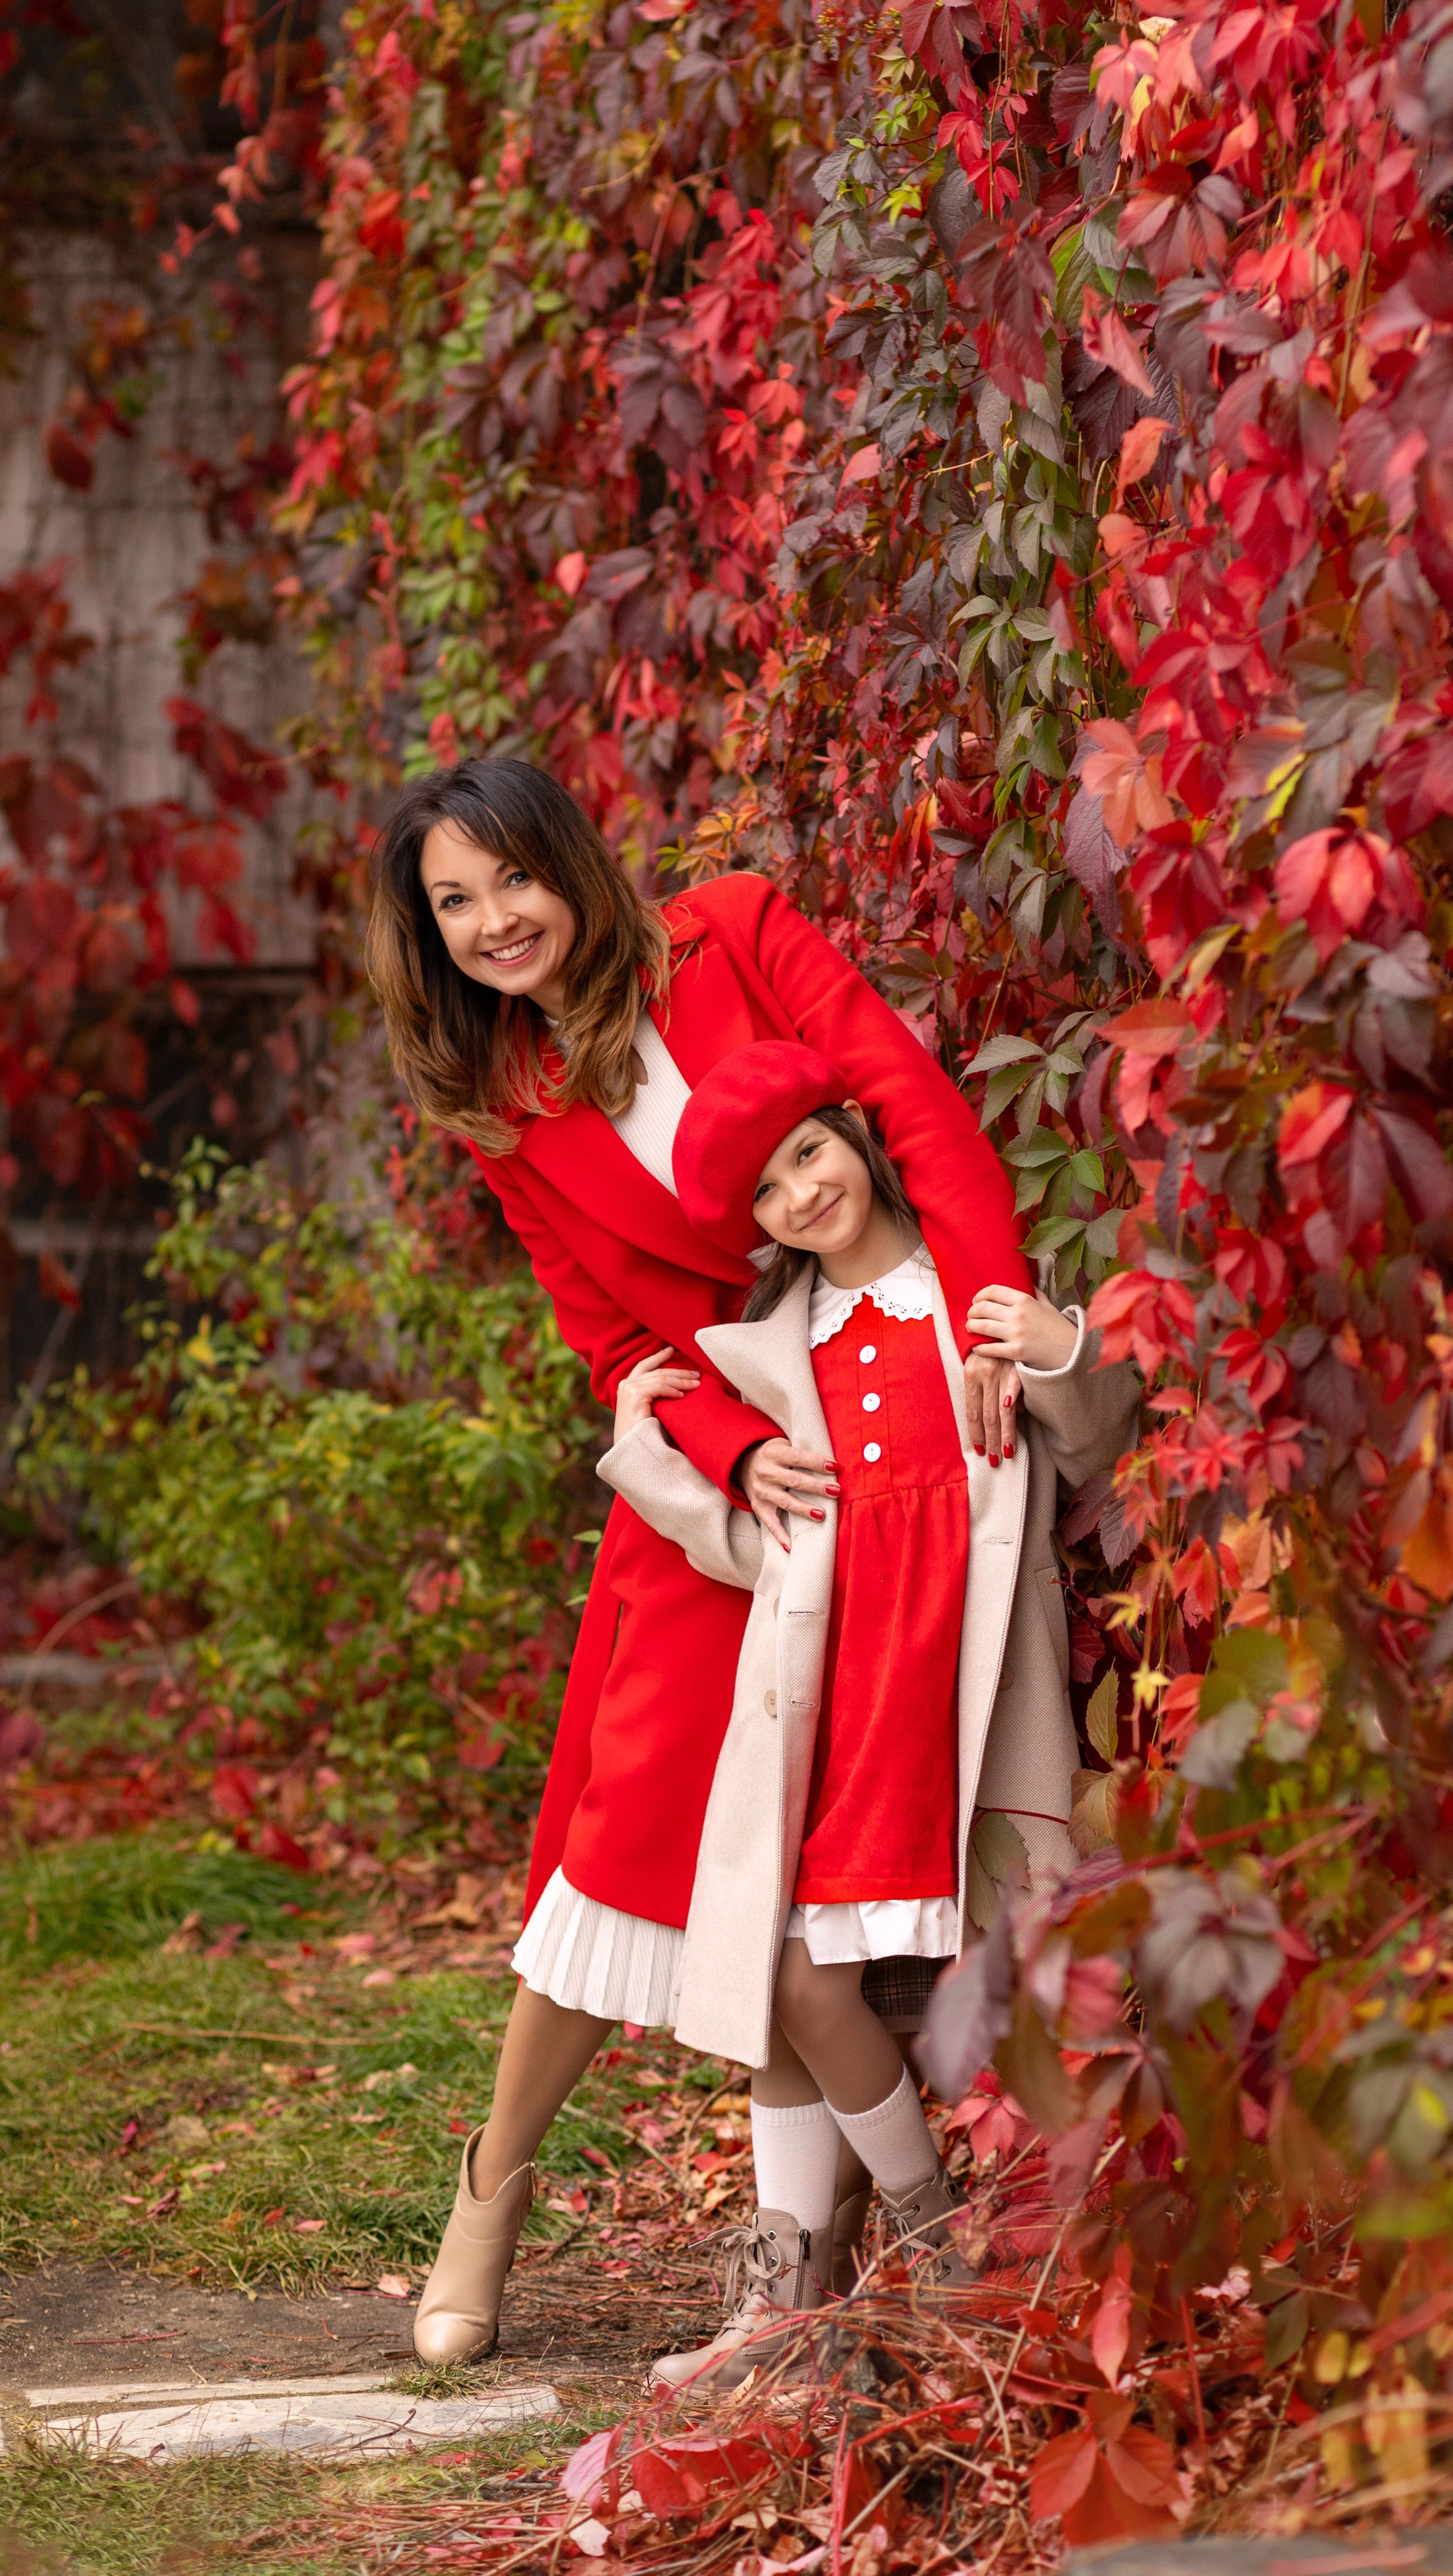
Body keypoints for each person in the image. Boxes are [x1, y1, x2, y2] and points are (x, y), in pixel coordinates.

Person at [364, 759, 1033, 2367]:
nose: (490, 922)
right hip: (734, 1484)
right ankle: (492, 2184)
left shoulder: (735, 937)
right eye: (450, 906)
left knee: (800, 1868)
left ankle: (799, 2248)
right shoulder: (507, 1109)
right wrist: (730, 1453)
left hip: (897, 1421)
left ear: (569, 861)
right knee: (625, 1840)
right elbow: (608, 1337)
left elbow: (912, 1111)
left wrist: (994, 1315)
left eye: (505, 879)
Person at [597, 1042, 1140, 2394]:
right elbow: (743, 1543)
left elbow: (1098, 1439)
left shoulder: (972, 1302)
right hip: (832, 1718)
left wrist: (1061, 1343)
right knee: (786, 1987)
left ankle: (872, 2272)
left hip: (957, 1704)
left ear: (855, 1133)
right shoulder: (779, 1359)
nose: (799, 1195)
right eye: (768, 1196)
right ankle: (899, 2247)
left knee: (839, 1995)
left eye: (808, 1154)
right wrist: (641, 1446)